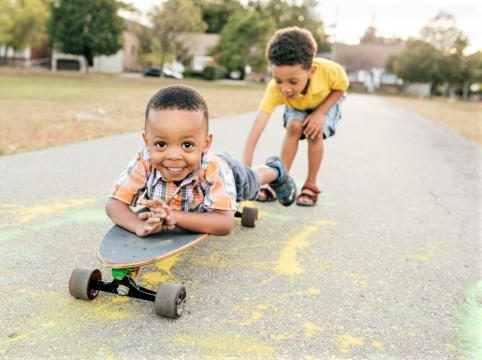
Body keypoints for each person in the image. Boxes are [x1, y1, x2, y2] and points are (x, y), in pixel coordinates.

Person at [105, 85, 296, 237]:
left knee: (254, 180)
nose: (173, 156)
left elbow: (224, 224)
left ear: (206, 143)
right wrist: (137, 224)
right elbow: (114, 204)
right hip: (196, 184)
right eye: (161, 144)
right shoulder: (145, 159)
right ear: (147, 141)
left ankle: (276, 170)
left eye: (186, 145)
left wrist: (175, 216)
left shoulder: (215, 169)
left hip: (233, 175)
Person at [242, 27, 349, 206]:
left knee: (314, 131)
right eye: (278, 80)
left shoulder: (329, 70)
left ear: (311, 71)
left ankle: (310, 184)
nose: (285, 88)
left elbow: (341, 88)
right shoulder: (275, 90)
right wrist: (244, 169)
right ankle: (280, 180)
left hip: (326, 103)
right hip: (298, 105)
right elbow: (258, 126)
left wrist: (320, 113)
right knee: (294, 126)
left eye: (293, 81)